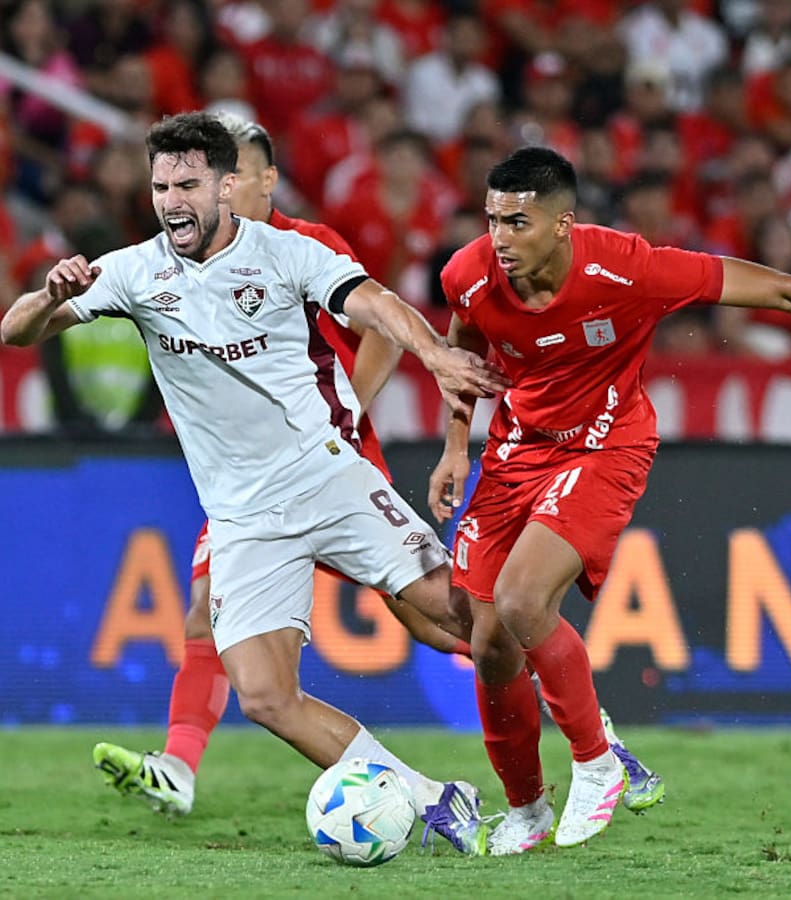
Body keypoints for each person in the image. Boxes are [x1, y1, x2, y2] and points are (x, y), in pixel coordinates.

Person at [429, 146, 791, 855]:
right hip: (516, 450)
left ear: (563, 223)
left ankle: (598, 764)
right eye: (492, 220)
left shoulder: (626, 268)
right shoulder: (468, 274)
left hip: (605, 445)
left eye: (518, 221)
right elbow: (463, 350)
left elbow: (781, 289)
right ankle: (527, 809)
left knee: (521, 601)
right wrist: (456, 444)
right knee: (488, 646)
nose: (500, 239)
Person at [0, 111, 512, 856]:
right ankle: (436, 799)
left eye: (186, 184)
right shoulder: (136, 271)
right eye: (160, 186)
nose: (171, 200)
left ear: (226, 186)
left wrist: (434, 354)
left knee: (457, 613)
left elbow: (376, 305)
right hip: (241, 517)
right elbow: (14, 331)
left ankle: (591, 738)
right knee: (266, 696)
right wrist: (49, 295)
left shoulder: (285, 253)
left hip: (326, 476)